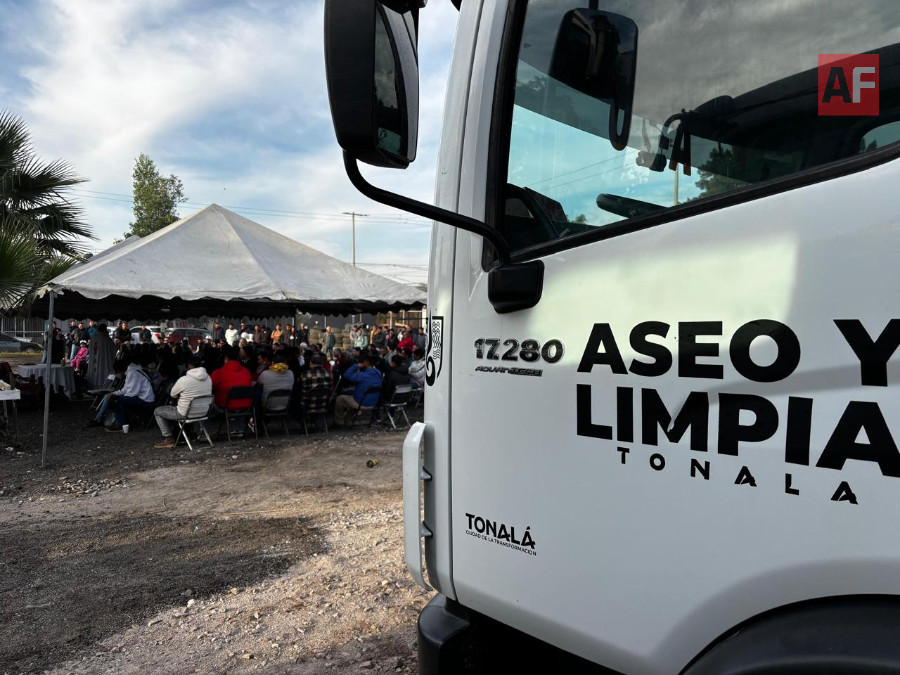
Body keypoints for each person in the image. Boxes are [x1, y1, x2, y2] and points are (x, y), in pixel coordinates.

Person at [153, 353, 212, 449]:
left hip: (185, 413)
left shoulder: (184, 380)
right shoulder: (208, 378)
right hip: (203, 411)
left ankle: (168, 438)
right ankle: (195, 433)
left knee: (157, 411)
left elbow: (172, 394)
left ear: (189, 366)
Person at [87, 354, 155, 432]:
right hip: (141, 396)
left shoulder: (133, 373)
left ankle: (121, 424)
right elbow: (125, 390)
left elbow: (132, 393)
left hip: (145, 399)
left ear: (121, 370)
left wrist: (116, 397)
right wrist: (113, 394)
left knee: (115, 400)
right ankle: (98, 419)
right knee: (110, 396)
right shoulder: (131, 371)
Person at [333, 354, 382, 426]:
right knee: (350, 397)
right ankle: (348, 419)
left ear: (366, 362)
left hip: (362, 402)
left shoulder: (363, 375)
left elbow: (346, 375)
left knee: (340, 399)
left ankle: (339, 421)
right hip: (373, 402)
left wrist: (356, 366)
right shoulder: (378, 373)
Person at [210, 346, 253, 412]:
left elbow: (210, 388)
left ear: (226, 358)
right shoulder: (246, 371)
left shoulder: (218, 373)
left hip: (225, 407)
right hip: (246, 406)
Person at [86, 323, 116, 388]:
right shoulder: (106, 338)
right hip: (103, 361)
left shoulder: (93, 338)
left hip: (94, 359)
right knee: (102, 371)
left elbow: (89, 349)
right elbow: (113, 349)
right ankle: (103, 385)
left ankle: (94, 385)